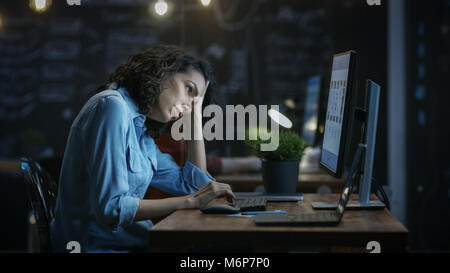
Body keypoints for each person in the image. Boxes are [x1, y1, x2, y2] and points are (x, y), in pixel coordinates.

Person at [50, 45, 235, 253]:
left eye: (195, 102)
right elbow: (111, 209)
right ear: (164, 71)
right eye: (189, 89)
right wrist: (191, 202)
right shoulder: (112, 107)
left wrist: (195, 116)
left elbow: (190, 186)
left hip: (130, 244)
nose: (188, 105)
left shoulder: (141, 129)